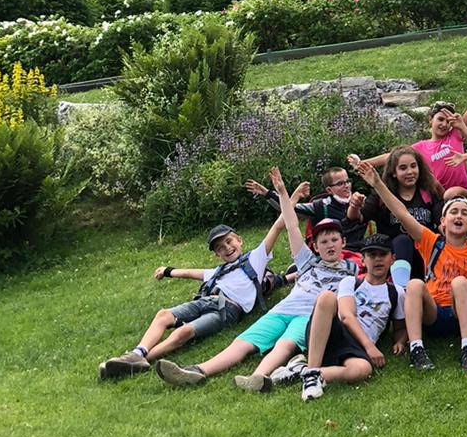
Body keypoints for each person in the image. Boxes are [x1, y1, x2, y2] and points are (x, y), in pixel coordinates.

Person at [155, 170, 358, 387]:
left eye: (334, 239)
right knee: (244, 341)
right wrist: (281, 192)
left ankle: (257, 377)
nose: (330, 245)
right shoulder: (306, 260)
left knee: (285, 344)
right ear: (315, 247)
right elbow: (291, 225)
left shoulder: (352, 269)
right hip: (283, 309)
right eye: (324, 242)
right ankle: (198, 371)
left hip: (308, 317)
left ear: (343, 243)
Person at [97, 205, 290, 381]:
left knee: (185, 331)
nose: (227, 248)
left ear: (239, 240)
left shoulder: (256, 259)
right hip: (208, 300)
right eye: (220, 248)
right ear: (217, 255)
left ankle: (139, 360)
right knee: (163, 315)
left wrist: (290, 197)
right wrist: (168, 271)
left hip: (227, 308)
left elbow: (277, 227)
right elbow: (192, 273)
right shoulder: (218, 272)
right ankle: (136, 354)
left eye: (229, 242)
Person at [348, 153, 467, 372]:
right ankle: (416, 348)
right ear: (442, 221)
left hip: (465, 311)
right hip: (434, 314)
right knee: (414, 284)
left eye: (464, 213)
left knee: (461, 282)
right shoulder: (432, 242)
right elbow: (402, 214)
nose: (458, 216)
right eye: (453, 212)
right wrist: (377, 184)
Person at [233, 233, 400, 397]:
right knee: (327, 297)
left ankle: (300, 371)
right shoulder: (350, 282)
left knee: (363, 370)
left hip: (356, 348)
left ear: (392, 258)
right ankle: (312, 375)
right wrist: (371, 347)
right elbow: (347, 316)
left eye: (383, 254)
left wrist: (400, 340)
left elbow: (399, 325)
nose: (378, 259)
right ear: (363, 260)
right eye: (372, 255)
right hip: (334, 333)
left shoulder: (397, 292)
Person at [359, 145, 443, 289]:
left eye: (413, 166)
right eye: (403, 168)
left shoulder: (429, 192)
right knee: (403, 241)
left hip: (424, 253)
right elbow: (360, 218)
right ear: (393, 173)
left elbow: (441, 222)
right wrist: (355, 206)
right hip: (393, 255)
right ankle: (400, 289)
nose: (410, 172)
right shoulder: (381, 196)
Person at [246, 165, 370, 250]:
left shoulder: (361, 200)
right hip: (332, 255)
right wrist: (267, 193)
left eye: (348, 181)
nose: (347, 186)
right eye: (340, 183)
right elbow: (288, 209)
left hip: (360, 251)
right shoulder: (321, 206)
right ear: (329, 190)